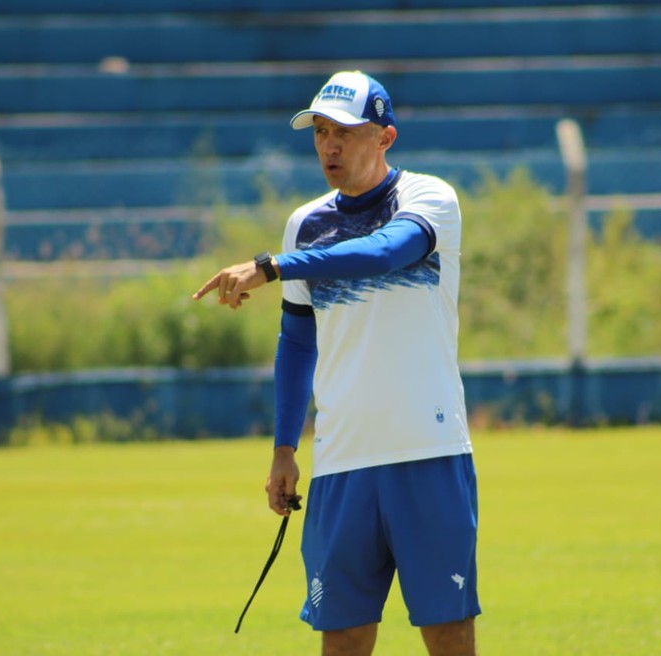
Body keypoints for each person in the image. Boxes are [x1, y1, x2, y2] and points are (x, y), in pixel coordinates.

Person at [192, 70, 480, 656]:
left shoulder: (430, 199)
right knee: (343, 640)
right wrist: (283, 449)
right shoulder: (305, 223)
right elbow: (297, 343)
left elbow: (383, 253)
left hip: (428, 451)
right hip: (342, 463)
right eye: (321, 131)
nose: (330, 145)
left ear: (385, 137)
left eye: (346, 131)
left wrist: (273, 266)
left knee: (448, 634)